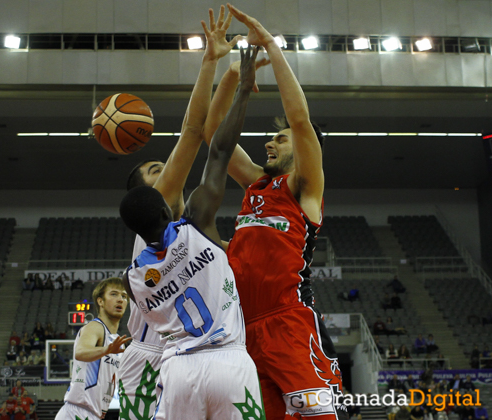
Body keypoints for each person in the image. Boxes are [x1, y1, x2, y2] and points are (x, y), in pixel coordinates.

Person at [117, 7, 262, 420]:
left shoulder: (143, 265)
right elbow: (195, 132)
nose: (164, 170)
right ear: (152, 195)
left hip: (174, 358)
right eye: (154, 171)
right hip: (165, 356)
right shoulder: (182, 216)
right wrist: (212, 63)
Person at [206, 5, 347, 419]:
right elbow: (212, 136)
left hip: (289, 325)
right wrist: (232, 75)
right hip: (243, 331)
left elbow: (301, 121)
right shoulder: (256, 184)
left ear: (303, 151)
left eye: (280, 139)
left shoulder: (303, 189)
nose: (270, 143)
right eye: (272, 137)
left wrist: (270, 45)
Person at [55, 277, 130, 420]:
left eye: (124, 296)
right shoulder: (95, 327)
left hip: (94, 414)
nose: (120, 299)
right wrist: (107, 350)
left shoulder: (119, 342)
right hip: (77, 411)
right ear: (100, 301)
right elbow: (80, 352)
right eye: (114, 294)